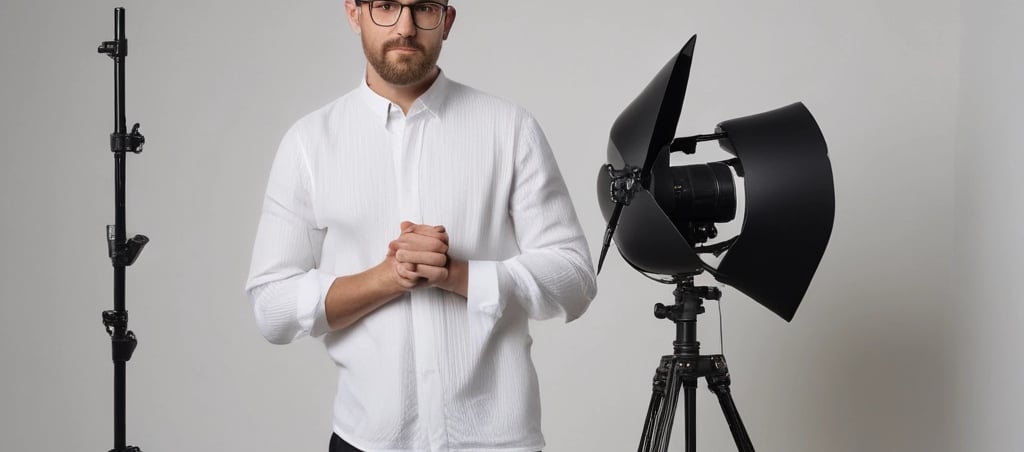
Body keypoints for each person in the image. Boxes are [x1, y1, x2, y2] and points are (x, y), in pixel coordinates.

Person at [245, 1, 597, 451]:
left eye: (424, 8)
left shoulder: (509, 129)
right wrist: (389, 278)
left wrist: (460, 275)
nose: (406, 27)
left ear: (446, 21)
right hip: (366, 441)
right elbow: (270, 307)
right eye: (387, 6)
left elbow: (576, 281)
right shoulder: (309, 144)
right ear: (354, 14)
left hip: (497, 443)